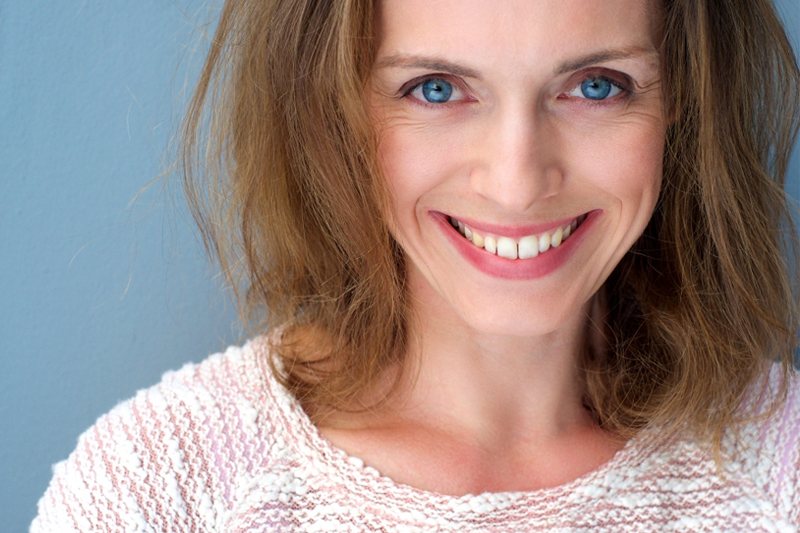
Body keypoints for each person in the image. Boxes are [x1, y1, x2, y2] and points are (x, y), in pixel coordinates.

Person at [32, 0, 800, 530]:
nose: (517, 180)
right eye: (436, 89)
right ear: (331, 113)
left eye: (595, 86)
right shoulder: (161, 486)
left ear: (683, 107)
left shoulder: (780, 463)